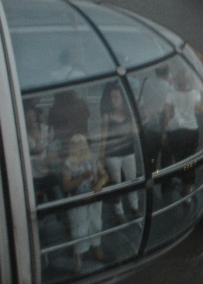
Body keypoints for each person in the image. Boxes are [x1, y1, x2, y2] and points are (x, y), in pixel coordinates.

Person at [61, 134, 108, 273]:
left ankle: (96, 248)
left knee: (96, 223)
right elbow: (66, 187)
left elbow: (105, 175)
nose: (80, 147)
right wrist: (82, 177)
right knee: (79, 228)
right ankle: (79, 256)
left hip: (93, 198)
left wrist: (99, 184)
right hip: (77, 200)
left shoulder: (92, 158)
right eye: (77, 144)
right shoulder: (68, 163)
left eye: (82, 143)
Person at [162, 69, 203, 196]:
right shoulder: (195, 93)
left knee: (178, 158)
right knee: (190, 159)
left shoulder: (170, 94)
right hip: (191, 131)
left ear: (176, 81)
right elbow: (199, 109)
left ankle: (176, 180)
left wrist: (164, 131)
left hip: (175, 131)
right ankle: (187, 188)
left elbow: (167, 116)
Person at [100, 82, 140, 223]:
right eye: (112, 97)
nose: (114, 100)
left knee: (132, 180)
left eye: (116, 97)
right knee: (116, 184)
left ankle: (134, 206)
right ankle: (119, 212)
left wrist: (134, 131)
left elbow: (135, 133)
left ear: (122, 98)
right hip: (113, 155)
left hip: (128, 152)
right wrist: (102, 156)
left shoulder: (128, 115)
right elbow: (104, 137)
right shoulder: (107, 116)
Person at [136, 65, 172, 174]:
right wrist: (165, 133)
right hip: (162, 126)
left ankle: (150, 179)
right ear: (167, 73)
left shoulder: (147, 82)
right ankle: (165, 183)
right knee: (166, 157)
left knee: (151, 157)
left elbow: (140, 103)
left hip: (148, 125)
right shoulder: (168, 87)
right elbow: (167, 112)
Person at [24, 100, 60, 204]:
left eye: (33, 115)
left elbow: (53, 147)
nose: (32, 119)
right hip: (33, 175)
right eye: (29, 116)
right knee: (36, 203)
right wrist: (31, 151)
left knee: (57, 200)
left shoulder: (45, 129)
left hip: (48, 172)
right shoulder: (22, 133)